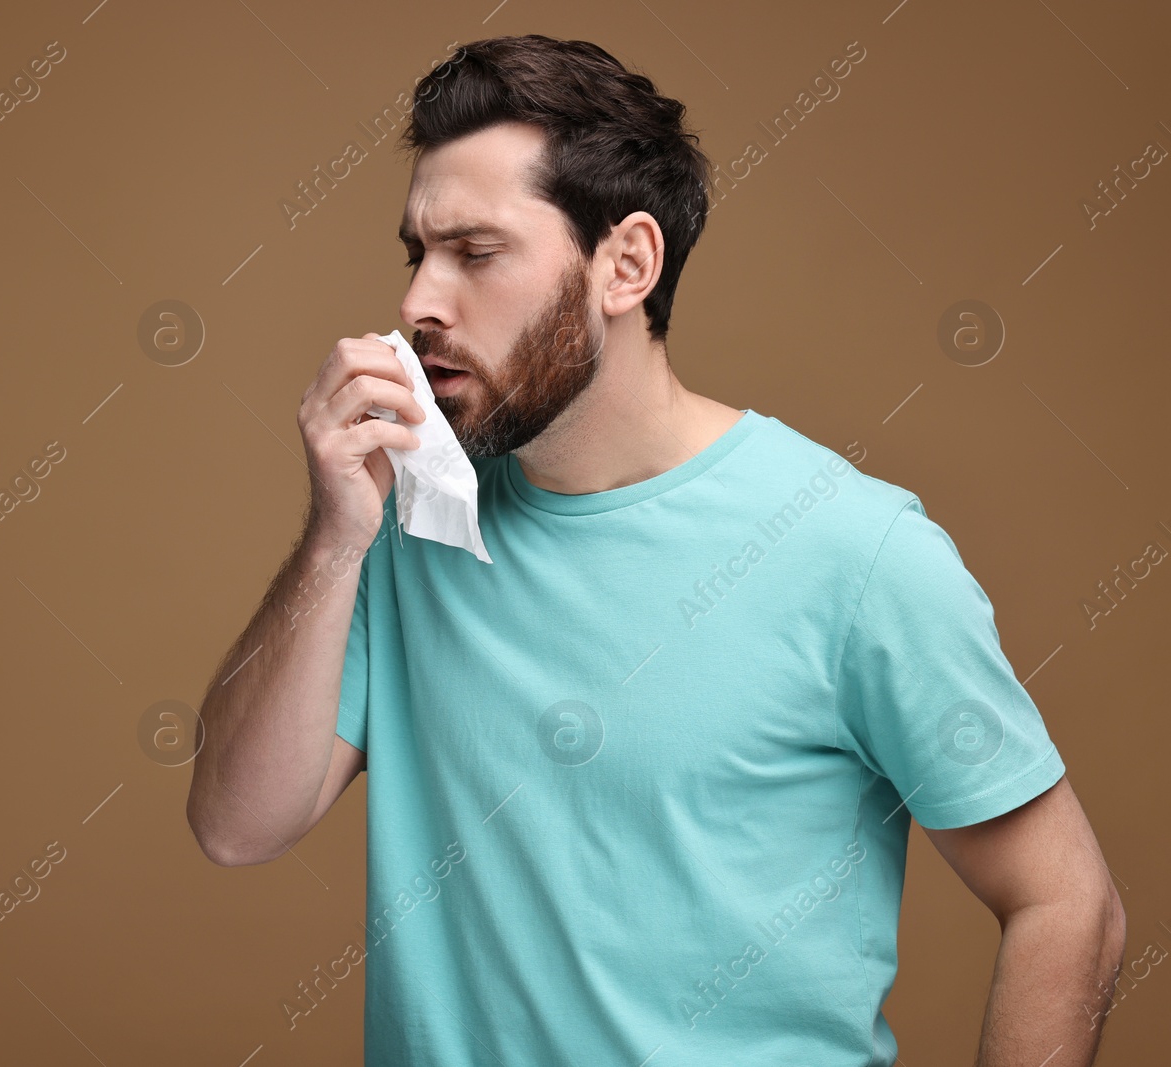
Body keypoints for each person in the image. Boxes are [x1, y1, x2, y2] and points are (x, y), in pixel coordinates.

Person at [187, 33, 1125, 1067]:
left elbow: (1064, 900)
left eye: (476, 252)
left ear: (626, 263)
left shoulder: (854, 552)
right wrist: (332, 537)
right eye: (418, 253)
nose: (418, 303)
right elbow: (237, 822)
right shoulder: (402, 529)